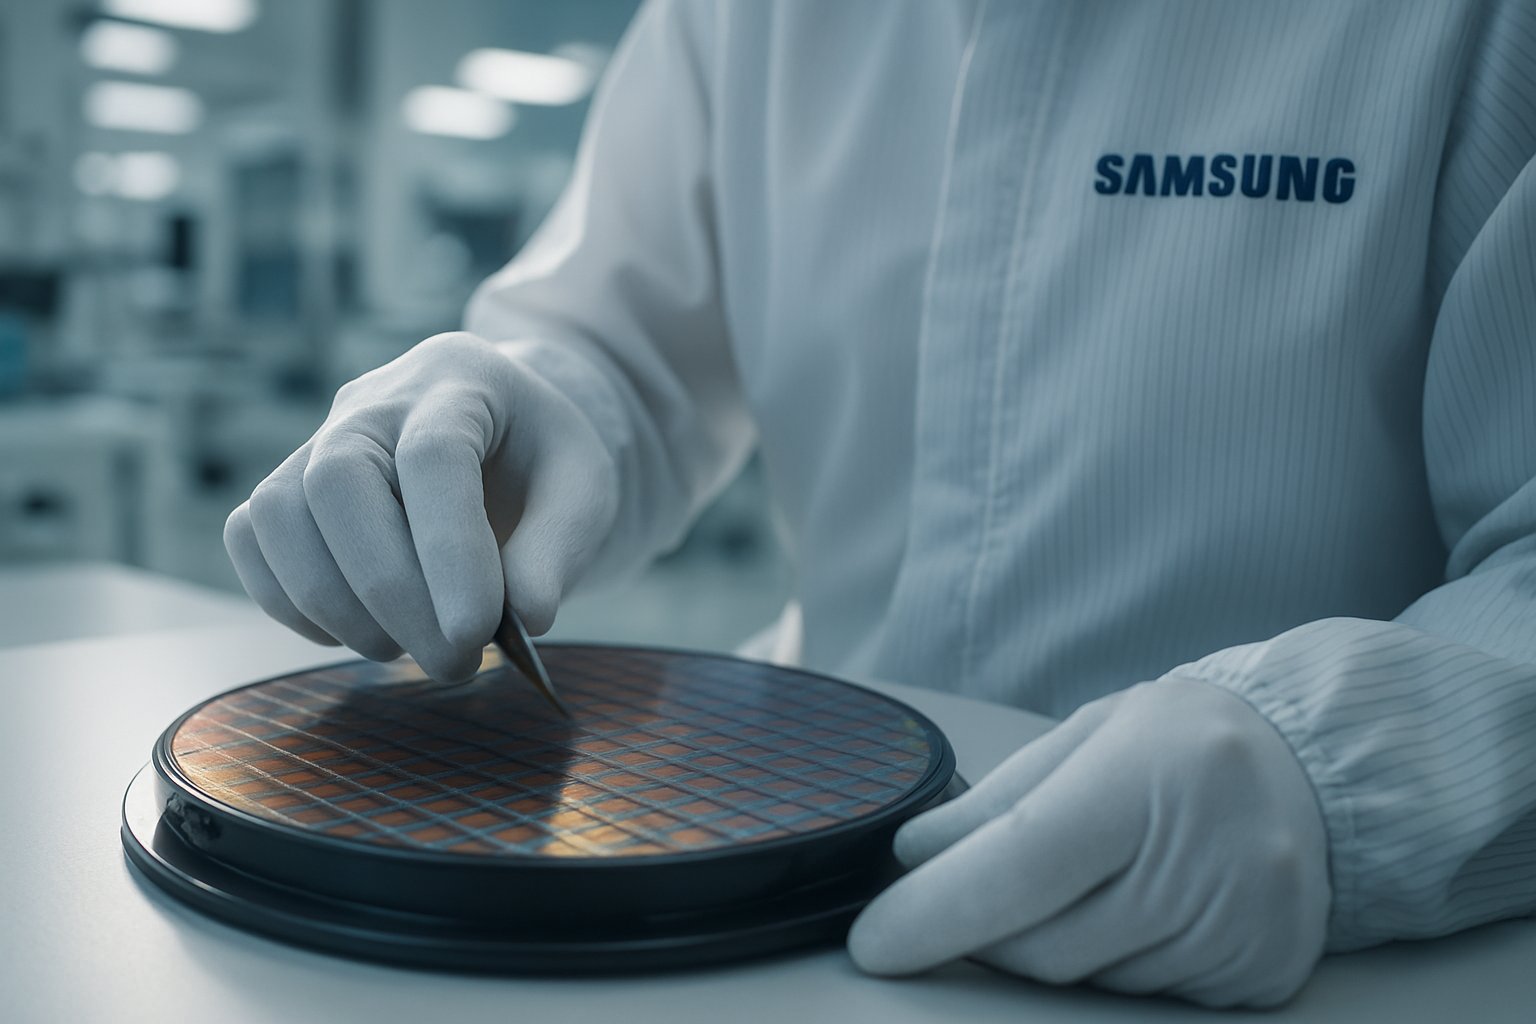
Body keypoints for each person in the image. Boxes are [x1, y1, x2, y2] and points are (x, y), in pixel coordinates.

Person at [224, 0, 1536, 1008]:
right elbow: (622, 337)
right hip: (805, 919)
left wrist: (1344, 778)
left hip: (1307, 969)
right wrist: (521, 396)